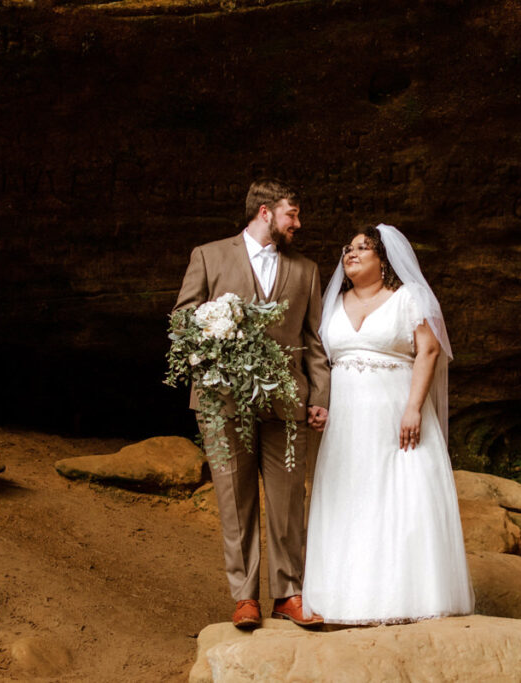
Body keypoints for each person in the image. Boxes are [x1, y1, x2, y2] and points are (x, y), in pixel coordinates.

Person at [173, 178, 330, 629]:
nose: (297, 223)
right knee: (234, 501)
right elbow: (184, 321)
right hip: (223, 403)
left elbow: (313, 340)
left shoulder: (306, 270)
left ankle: (288, 593)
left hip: (286, 403)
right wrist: (218, 342)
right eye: (292, 214)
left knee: (286, 502)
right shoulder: (209, 255)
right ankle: (245, 597)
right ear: (265, 213)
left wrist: (318, 397)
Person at [302, 223, 474, 624]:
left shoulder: (407, 298)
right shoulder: (332, 303)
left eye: (363, 248)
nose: (351, 253)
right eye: (348, 248)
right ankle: (342, 600)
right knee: (348, 499)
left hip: (396, 415)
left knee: (400, 498)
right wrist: (318, 404)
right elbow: (319, 361)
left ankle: (406, 600)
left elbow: (429, 350)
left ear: (384, 260)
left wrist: (414, 408)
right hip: (345, 423)